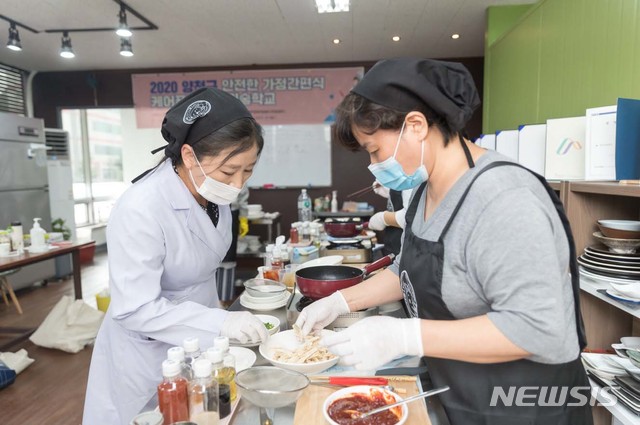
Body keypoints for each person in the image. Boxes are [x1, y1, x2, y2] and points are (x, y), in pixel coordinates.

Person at [295, 58, 593, 424]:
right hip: (464, 394)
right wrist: (338, 302)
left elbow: (536, 329)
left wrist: (406, 336)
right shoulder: (425, 189)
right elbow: (408, 269)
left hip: (524, 406)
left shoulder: (504, 199)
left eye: (374, 150)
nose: (373, 164)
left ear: (416, 125)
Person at [83, 88, 269, 424]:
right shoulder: (141, 207)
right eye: (229, 172)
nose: (238, 184)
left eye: (248, 171)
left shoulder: (212, 196)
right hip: (146, 350)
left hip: (200, 340)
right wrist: (220, 322)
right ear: (187, 154)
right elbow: (135, 308)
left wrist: (219, 320)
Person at [367, 185, 412, 256]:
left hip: (406, 247)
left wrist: (383, 218)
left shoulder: (412, 177)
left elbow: (411, 217)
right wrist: (390, 191)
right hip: (392, 242)